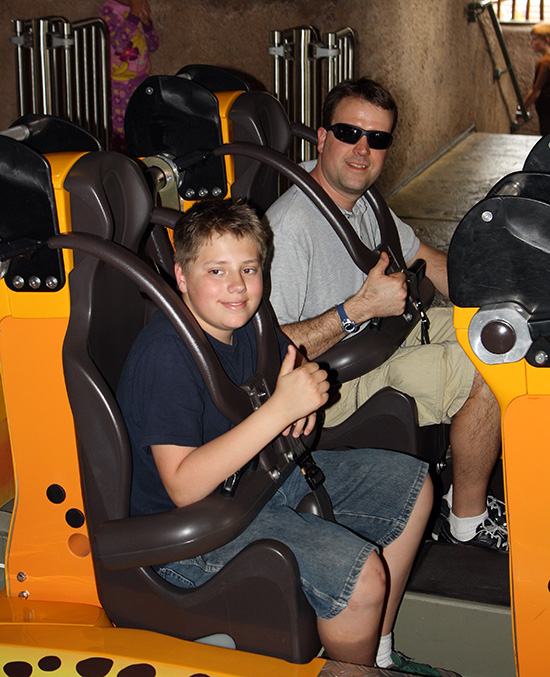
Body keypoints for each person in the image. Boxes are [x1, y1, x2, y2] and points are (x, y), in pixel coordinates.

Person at [117, 199, 461, 675]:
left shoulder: (251, 324)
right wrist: (280, 411)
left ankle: (377, 658)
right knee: (361, 578)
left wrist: (300, 413)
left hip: (254, 484)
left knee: (412, 487)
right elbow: (182, 485)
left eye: (249, 269)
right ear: (181, 277)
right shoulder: (166, 353)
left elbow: (286, 391)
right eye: (216, 271)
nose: (236, 286)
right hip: (190, 535)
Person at [265, 78, 508, 552]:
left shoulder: (364, 203)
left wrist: (499, 296)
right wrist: (356, 310)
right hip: (333, 379)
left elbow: (427, 261)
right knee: (492, 360)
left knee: (501, 332)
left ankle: (468, 489)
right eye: (349, 133)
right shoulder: (291, 227)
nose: (363, 149)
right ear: (321, 137)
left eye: (378, 139)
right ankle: (466, 519)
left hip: (385, 337)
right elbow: (269, 352)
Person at [100, 0, 159, 151]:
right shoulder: (110, 9)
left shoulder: (137, 8)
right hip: (120, 83)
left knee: (140, 121)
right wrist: (133, 14)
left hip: (141, 78)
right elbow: (117, 44)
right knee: (121, 129)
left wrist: (146, 23)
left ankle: (139, 156)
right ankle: (120, 161)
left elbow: (153, 45)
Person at [520, 23, 550, 135]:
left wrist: (522, 109)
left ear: (546, 40)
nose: (530, 43)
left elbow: (536, 91)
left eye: (534, 39)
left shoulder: (544, 63)